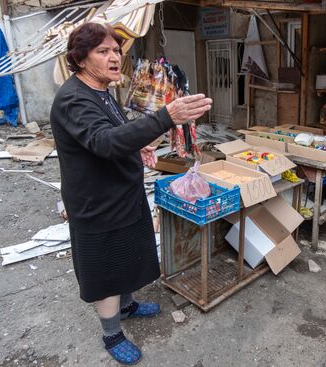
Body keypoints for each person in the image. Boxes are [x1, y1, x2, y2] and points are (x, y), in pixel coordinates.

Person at [50, 22, 212, 365]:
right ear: (80, 59)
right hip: (97, 203)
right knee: (106, 270)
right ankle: (111, 332)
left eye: (116, 50)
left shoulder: (101, 91)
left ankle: (127, 305)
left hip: (122, 193)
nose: (115, 57)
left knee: (127, 256)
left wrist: (135, 150)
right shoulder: (73, 100)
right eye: (103, 51)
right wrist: (164, 117)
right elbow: (103, 142)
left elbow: (115, 133)